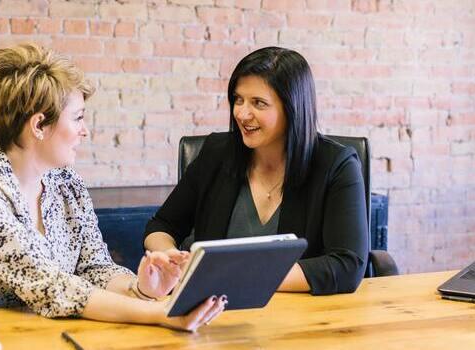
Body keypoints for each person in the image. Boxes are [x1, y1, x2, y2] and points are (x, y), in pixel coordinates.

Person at [0, 43, 225, 331]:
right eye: (77, 118)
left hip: (33, 332)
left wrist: (141, 289)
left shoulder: (66, 183)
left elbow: (94, 268)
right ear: (38, 125)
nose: (84, 131)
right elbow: (49, 286)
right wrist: (160, 313)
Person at [143, 47, 369, 295]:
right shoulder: (216, 153)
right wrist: (169, 257)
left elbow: (347, 265)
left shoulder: (337, 165)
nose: (242, 113)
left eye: (258, 103)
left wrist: (236, 276)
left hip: (300, 315)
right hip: (213, 312)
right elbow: (162, 225)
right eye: (238, 100)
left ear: (292, 108)